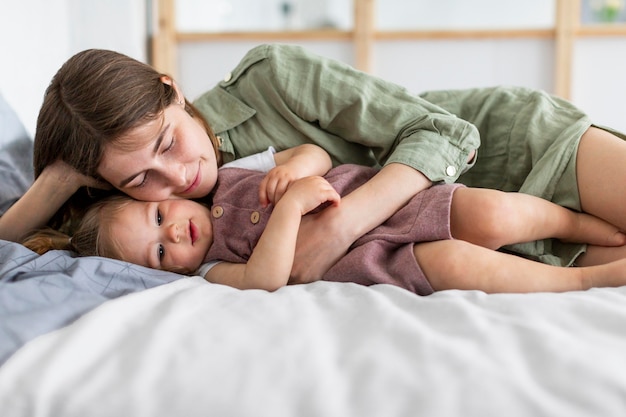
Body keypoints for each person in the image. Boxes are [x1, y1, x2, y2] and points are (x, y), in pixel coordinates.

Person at [3, 44, 626, 282]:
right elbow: (10, 249)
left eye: (168, 143)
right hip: (475, 247)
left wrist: (340, 223)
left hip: (512, 147)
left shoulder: (270, 80)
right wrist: (60, 174)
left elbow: (444, 131)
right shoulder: (142, 225)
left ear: (173, 89)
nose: (178, 178)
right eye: (141, 179)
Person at [24, 144, 626, 294]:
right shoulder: (209, 270)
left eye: (157, 215)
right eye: (159, 253)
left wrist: (298, 170)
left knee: (493, 212)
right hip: (375, 258)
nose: (172, 233)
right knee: (458, 265)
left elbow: (306, 155)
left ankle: (582, 226)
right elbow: (265, 278)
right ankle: (582, 282)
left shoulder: (235, 169)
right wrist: (287, 208)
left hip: (382, 200)